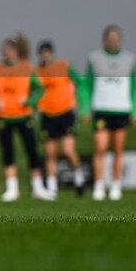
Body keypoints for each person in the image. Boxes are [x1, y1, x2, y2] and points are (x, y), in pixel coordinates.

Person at [0, 33, 52, 202]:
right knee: (8, 152)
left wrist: (29, 101)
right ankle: (12, 189)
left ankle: (38, 189)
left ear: (17, 51)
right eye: (4, 50)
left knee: (32, 151)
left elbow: (40, 90)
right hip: (3, 117)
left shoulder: (27, 68)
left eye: (9, 50)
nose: (6, 53)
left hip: (24, 116)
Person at [83, 24, 136, 201]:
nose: (113, 42)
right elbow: (87, 86)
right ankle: (99, 186)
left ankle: (116, 186)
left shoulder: (129, 59)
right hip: (101, 109)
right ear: (104, 40)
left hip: (121, 109)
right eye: (110, 39)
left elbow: (134, 87)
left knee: (118, 149)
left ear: (120, 40)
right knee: (100, 148)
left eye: (116, 39)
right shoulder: (94, 58)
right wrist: (85, 109)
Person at [35, 40, 86, 197]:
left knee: (68, 150)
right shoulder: (36, 72)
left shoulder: (64, 66)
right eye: (42, 53)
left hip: (65, 113)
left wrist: (80, 104)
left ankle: (79, 177)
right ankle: (52, 188)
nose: (45, 56)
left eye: (48, 53)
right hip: (47, 115)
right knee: (50, 153)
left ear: (52, 53)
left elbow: (81, 82)